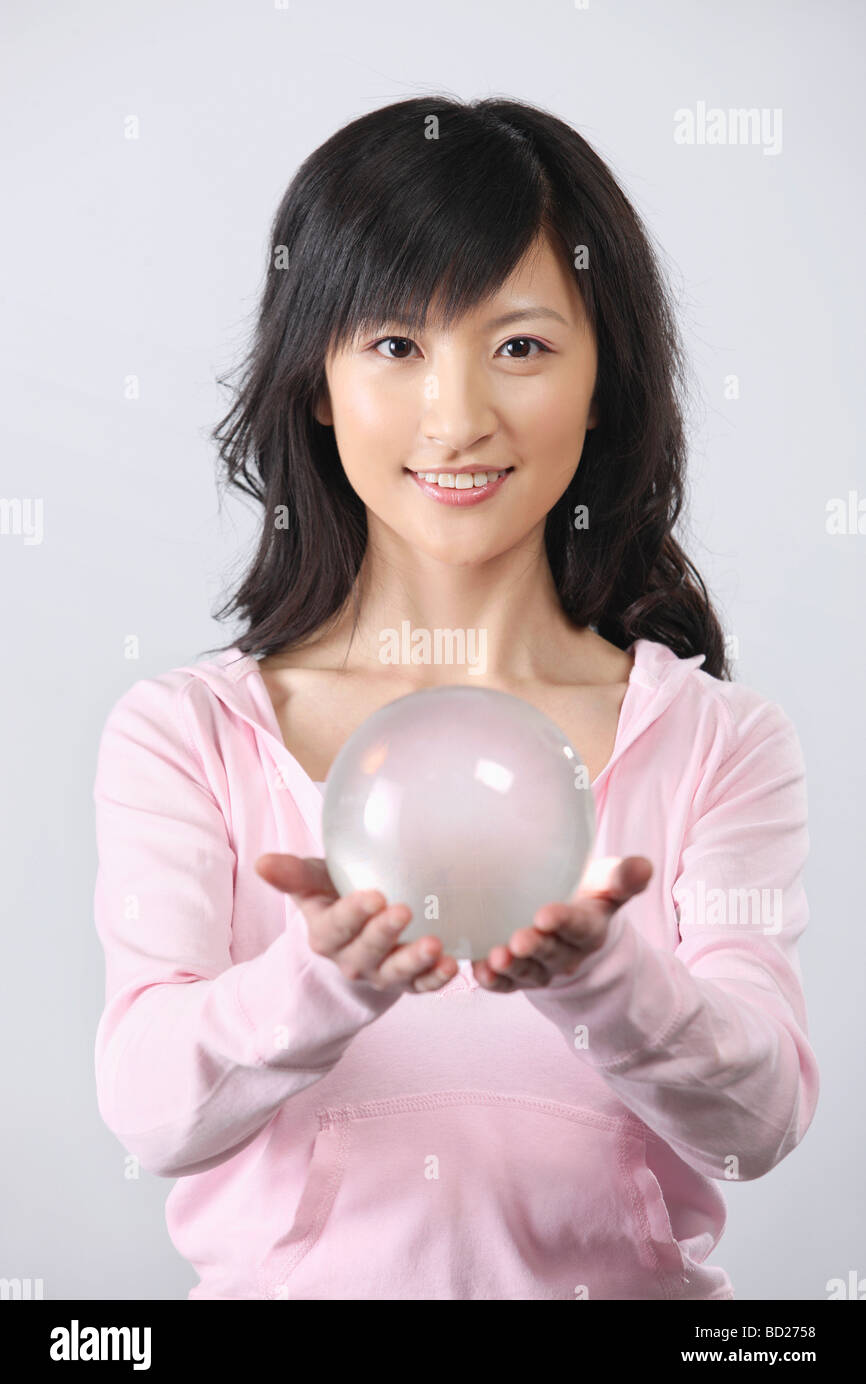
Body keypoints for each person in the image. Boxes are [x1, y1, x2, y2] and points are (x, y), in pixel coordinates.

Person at [93, 95, 819, 1300]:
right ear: (316, 382)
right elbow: (149, 1114)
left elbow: (758, 1124)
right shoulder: (189, 733)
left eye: (520, 346)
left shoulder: (716, 741)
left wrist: (603, 976)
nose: (458, 416)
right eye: (395, 346)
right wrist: (325, 972)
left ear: (603, 382)